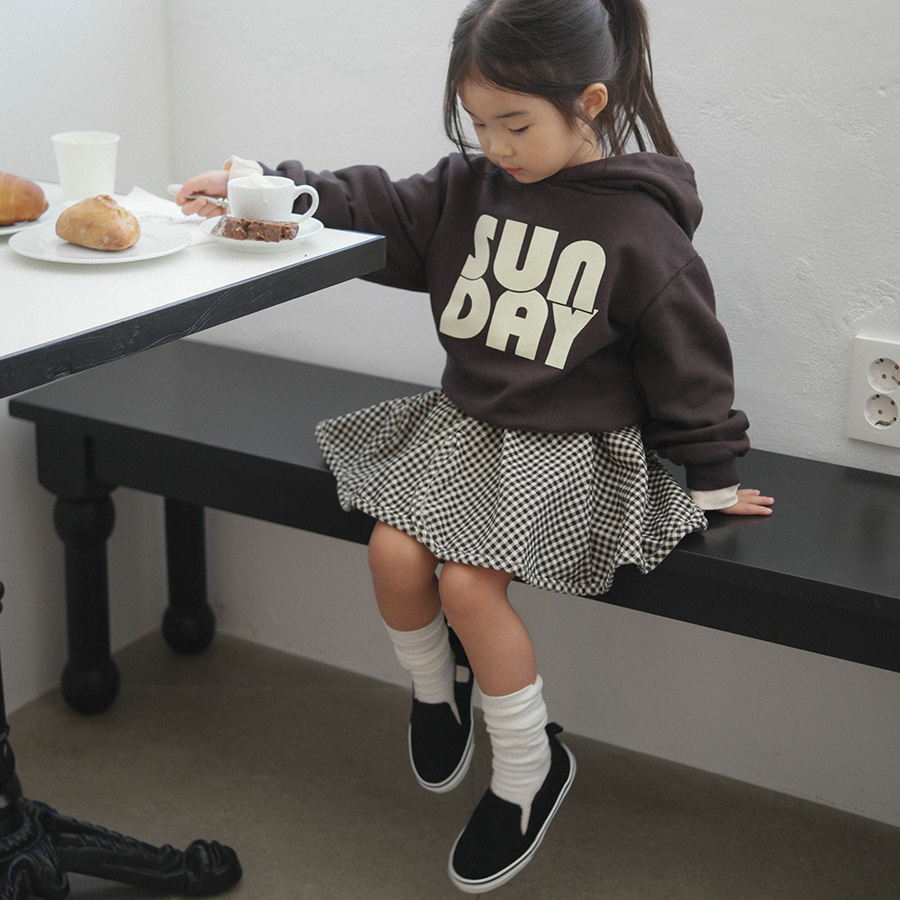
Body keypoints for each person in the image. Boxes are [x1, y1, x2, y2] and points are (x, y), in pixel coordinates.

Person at [177, 0, 774, 891]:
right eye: (478, 122)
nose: (495, 146)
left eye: (516, 125)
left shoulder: (641, 230)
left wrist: (714, 474)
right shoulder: (469, 187)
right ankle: (435, 690)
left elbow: (688, 360)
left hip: (571, 448)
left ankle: (530, 771)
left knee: (465, 584)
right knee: (391, 555)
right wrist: (260, 186)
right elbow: (372, 204)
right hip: (464, 430)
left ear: (591, 102)